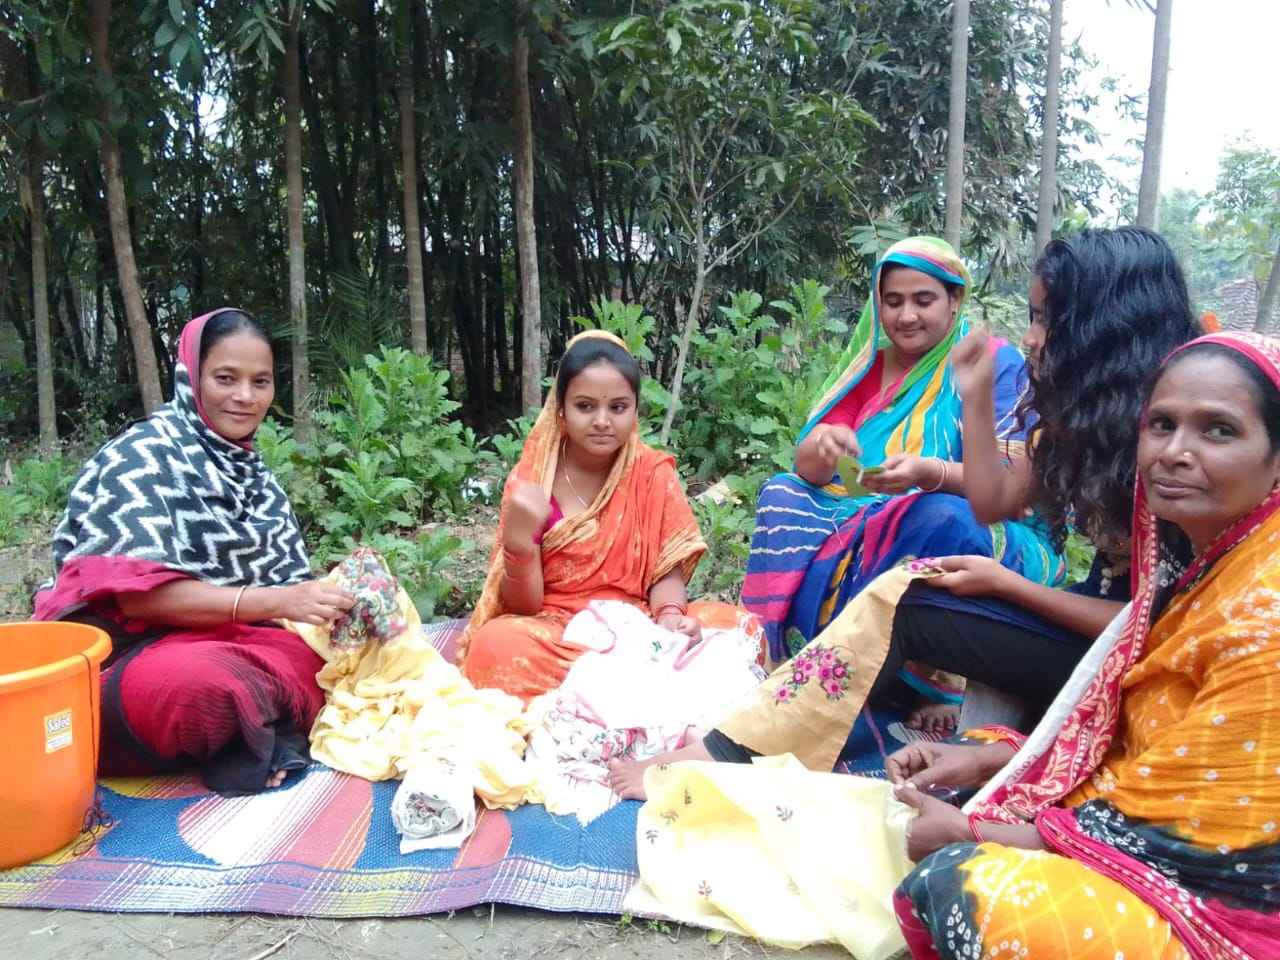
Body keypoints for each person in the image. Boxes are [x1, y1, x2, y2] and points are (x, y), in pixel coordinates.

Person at [608, 227, 1202, 799]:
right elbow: (996, 494)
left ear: (1098, 330)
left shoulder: (1170, 445)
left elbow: (1156, 626)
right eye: (893, 301)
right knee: (889, 569)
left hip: (1138, 657)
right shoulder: (1085, 417)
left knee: (918, 575)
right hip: (1078, 615)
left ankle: (733, 752)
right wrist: (970, 398)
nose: (1032, 337)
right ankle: (798, 691)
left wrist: (1006, 583)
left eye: (1046, 319)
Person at [888, 331, 1280, 958]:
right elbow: (1145, 751)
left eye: (1219, 432)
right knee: (979, 760)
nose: (1175, 452)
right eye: (1161, 425)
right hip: (1150, 827)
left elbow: (1187, 837)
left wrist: (974, 832)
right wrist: (996, 762)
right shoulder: (1216, 563)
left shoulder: (1266, 609)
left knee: (957, 884)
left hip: (1231, 905)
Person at [34, 309, 355, 795]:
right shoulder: (142, 456)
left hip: (224, 636)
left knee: (334, 669)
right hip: (125, 653)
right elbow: (137, 601)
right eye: (226, 378)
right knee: (208, 688)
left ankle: (251, 732)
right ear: (191, 378)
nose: (245, 397)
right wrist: (278, 601)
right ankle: (249, 728)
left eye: (260, 381)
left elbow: (284, 601)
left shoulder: (255, 478)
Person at [742, 236, 1062, 668]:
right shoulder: (871, 365)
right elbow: (809, 471)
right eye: (892, 302)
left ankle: (924, 678)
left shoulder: (992, 362)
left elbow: (1015, 490)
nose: (906, 315)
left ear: (954, 299)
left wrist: (928, 473)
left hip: (973, 520)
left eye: (923, 300)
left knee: (941, 517)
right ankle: (783, 651)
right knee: (782, 493)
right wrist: (825, 445)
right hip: (867, 510)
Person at [459, 330, 758, 703]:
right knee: (496, 647)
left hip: (638, 626)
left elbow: (666, 571)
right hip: (558, 631)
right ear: (562, 410)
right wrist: (519, 546)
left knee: (742, 628)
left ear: (634, 410)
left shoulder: (651, 472)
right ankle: (644, 693)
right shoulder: (534, 479)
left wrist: (668, 618)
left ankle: (609, 692)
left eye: (617, 407)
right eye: (586, 406)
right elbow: (524, 607)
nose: (602, 420)